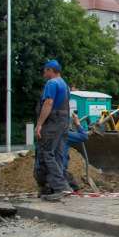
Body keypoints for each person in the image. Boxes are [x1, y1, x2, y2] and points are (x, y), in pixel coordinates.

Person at [34, 59, 73, 202]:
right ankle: (52, 188)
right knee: (57, 154)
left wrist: (39, 125)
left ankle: (61, 187)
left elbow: (48, 103)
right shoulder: (64, 84)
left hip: (53, 122)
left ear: (51, 70)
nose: (44, 73)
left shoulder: (52, 83)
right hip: (63, 122)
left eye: (45, 70)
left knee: (46, 153)